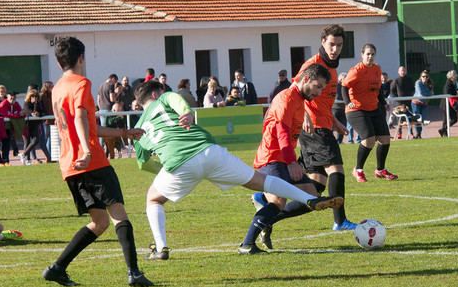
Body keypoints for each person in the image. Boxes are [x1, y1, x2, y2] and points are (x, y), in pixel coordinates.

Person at [132, 77, 341, 258]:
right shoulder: (164, 97)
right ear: (156, 92)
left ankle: (161, 248)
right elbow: (176, 99)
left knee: (154, 198)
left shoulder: (139, 127)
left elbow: (144, 163)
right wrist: (186, 112)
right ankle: (309, 199)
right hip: (209, 150)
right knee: (259, 181)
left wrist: (167, 169)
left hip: (179, 163)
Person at [42, 36, 153, 287]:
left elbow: (88, 125)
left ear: (59, 63)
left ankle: (57, 268)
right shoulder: (81, 83)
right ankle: (134, 273)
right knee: (118, 214)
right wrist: (86, 150)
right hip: (90, 161)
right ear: (81, 58)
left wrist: (123, 133)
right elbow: (81, 117)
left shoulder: (58, 88)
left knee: (99, 222)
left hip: (70, 165)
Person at [242, 64, 345, 251]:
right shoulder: (286, 98)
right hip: (271, 158)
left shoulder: (299, 99)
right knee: (278, 201)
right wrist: (291, 161)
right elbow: (281, 130)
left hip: (283, 158)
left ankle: (264, 208)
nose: (320, 91)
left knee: (312, 196)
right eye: (318, 86)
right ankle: (247, 244)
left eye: (322, 88)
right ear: (306, 79)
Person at [343, 43, 397, 183]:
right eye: (368, 54)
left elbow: (377, 90)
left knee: (385, 139)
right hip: (357, 109)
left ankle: (380, 170)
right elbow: (343, 86)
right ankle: (358, 170)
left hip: (374, 108)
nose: (370, 56)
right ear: (362, 55)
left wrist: (384, 104)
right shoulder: (356, 70)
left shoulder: (377, 69)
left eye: (372, 54)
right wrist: (347, 101)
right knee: (369, 139)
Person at [21, 89, 51, 164]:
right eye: (32, 96)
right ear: (29, 97)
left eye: (36, 96)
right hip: (26, 125)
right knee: (27, 142)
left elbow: (43, 111)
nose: (34, 98)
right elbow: (25, 110)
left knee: (35, 140)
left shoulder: (39, 103)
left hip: (35, 125)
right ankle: (27, 160)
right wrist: (32, 113)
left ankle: (24, 154)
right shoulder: (26, 103)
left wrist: (38, 114)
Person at [390, 66, 416, 138]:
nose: (403, 72)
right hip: (399, 104)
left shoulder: (409, 80)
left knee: (409, 118)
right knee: (400, 119)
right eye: (401, 70)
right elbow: (392, 91)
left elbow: (413, 89)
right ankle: (399, 133)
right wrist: (397, 99)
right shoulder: (396, 81)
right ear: (398, 72)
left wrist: (411, 95)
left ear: (406, 71)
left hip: (408, 103)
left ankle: (411, 133)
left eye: (404, 70)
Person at [438, 70, 458, 137]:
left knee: (453, 119)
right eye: (455, 75)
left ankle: (443, 130)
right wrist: (456, 93)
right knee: (450, 119)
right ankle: (444, 131)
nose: (456, 76)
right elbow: (447, 92)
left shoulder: (454, 82)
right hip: (446, 104)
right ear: (451, 76)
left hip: (450, 104)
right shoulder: (448, 83)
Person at [412, 69, 433, 137]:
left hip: (424, 104)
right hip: (416, 103)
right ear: (421, 77)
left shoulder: (429, 84)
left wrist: (428, 95)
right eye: (423, 76)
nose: (425, 78)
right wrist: (428, 94)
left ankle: (419, 134)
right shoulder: (418, 82)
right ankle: (417, 134)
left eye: (426, 76)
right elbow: (421, 93)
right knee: (417, 118)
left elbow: (432, 94)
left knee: (423, 118)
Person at [332, 72, 347, 144]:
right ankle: (331, 140)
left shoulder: (346, 86)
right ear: (340, 79)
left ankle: (339, 141)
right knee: (331, 126)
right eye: (345, 78)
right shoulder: (335, 86)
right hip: (334, 109)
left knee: (343, 125)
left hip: (343, 109)